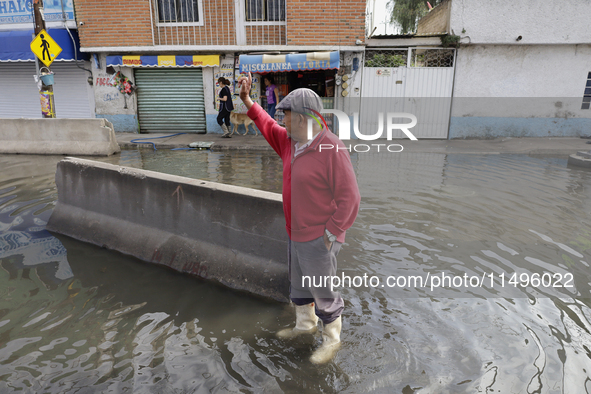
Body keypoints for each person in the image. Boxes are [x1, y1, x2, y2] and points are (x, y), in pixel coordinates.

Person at [238, 72, 360, 364]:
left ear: (305, 118)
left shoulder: (331, 148)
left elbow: (350, 198)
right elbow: (266, 124)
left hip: (320, 237)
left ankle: (332, 340)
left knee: (323, 289)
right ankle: (304, 326)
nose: (283, 120)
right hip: (295, 233)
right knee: (300, 285)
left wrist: (332, 233)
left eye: (288, 115)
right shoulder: (290, 143)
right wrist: (246, 99)